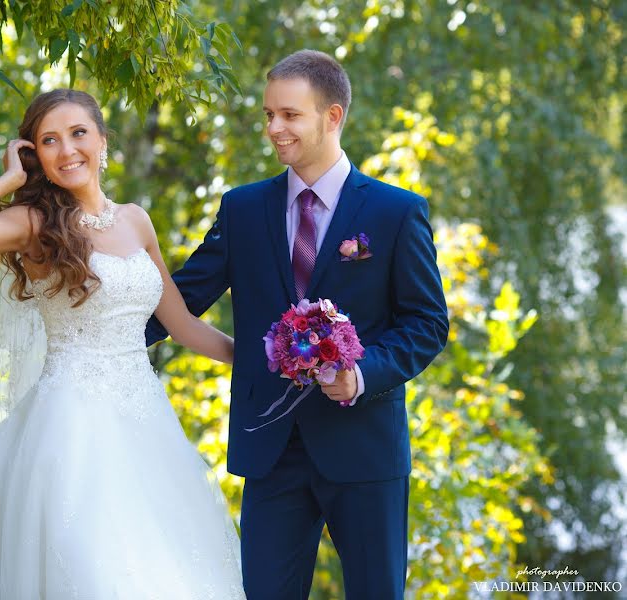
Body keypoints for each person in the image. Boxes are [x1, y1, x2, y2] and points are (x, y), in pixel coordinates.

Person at [146, 50, 449, 599]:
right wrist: (101, 327)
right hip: (271, 448)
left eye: (289, 115)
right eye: (268, 115)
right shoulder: (242, 209)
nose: (273, 129)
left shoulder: (395, 212)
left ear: (333, 117)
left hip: (365, 448)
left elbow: (427, 323)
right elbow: (182, 298)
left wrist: (360, 373)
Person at [0, 88, 245, 599]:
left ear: (102, 140)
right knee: (90, 568)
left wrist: (263, 357)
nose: (67, 149)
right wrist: (10, 180)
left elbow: (182, 324)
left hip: (144, 419)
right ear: (34, 154)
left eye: (78, 133)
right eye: (48, 141)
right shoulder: (34, 224)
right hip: (71, 425)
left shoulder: (136, 220)